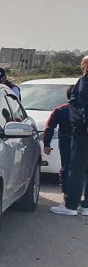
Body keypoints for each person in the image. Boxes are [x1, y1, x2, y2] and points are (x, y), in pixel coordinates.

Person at [51, 55, 88, 216]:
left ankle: (71, 205)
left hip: (83, 132)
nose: (81, 67)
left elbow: (82, 105)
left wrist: (82, 125)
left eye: (83, 64)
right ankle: (86, 206)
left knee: (76, 168)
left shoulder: (84, 82)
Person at [43, 86, 82, 200]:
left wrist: (47, 144)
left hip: (66, 141)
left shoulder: (60, 109)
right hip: (81, 142)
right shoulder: (83, 109)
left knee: (66, 166)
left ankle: (67, 195)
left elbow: (49, 127)